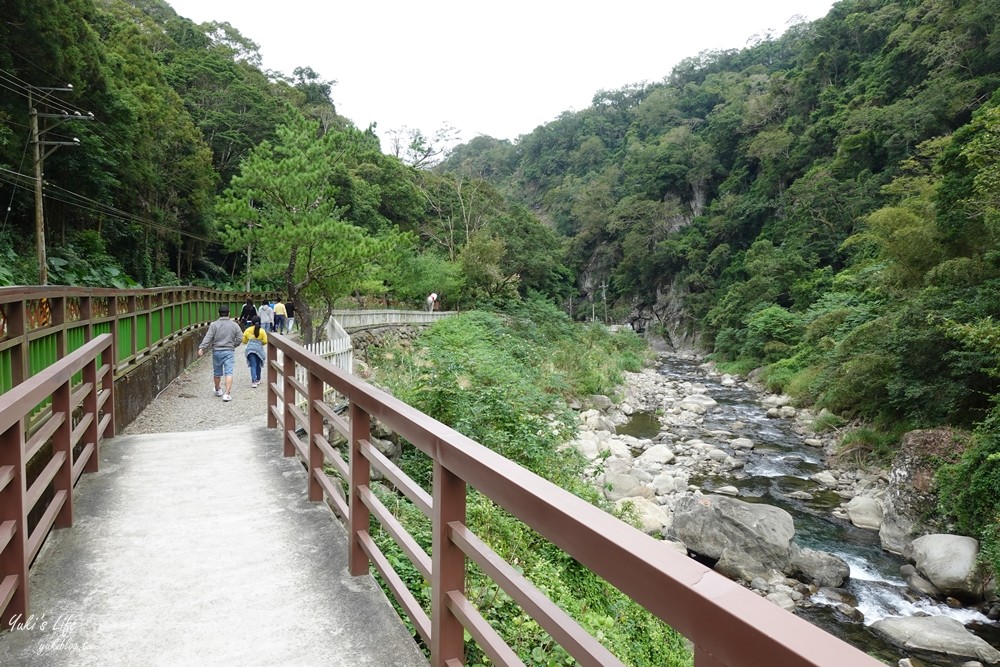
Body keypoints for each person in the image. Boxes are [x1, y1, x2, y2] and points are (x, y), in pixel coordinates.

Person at [197, 305, 243, 402]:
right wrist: (234, 345)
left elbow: (208, 337)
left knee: (217, 372)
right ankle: (227, 394)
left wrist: (202, 347)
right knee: (229, 372)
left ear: (218, 313)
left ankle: (218, 389)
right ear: (229, 313)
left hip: (217, 350)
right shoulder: (234, 325)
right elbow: (240, 337)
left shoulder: (214, 325)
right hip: (229, 351)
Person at [242, 315, 268, 388]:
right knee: (258, 364)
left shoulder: (247, 330)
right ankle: (258, 379)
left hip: (250, 350)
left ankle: (254, 381)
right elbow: (265, 341)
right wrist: (260, 343)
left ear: (252, 322)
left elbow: (244, 341)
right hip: (259, 350)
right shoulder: (262, 331)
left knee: (253, 365)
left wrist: (249, 341)